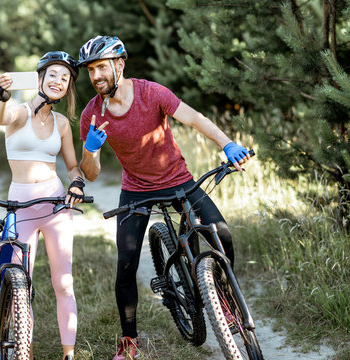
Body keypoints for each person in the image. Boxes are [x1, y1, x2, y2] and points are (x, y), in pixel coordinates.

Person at [76, 35, 252, 360]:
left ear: (119, 64)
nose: (96, 76)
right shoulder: (92, 114)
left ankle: (223, 301)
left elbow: (195, 118)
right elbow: (91, 174)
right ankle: (129, 341)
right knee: (126, 265)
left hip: (178, 181)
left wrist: (227, 144)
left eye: (102, 67)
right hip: (136, 190)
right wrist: (91, 150)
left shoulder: (151, 92)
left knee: (221, 234)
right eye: (90, 70)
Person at [0, 51, 85, 360]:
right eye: (53, 75)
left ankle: (68, 354)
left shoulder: (61, 124)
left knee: (64, 282)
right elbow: (0, 117)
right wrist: (3, 97)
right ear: (40, 79)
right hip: (20, 206)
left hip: (56, 205)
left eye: (65, 78)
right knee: (21, 283)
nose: (59, 81)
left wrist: (76, 181)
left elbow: (72, 166)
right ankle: (24, 351)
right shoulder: (18, 112)